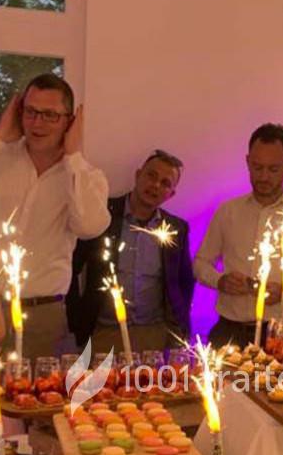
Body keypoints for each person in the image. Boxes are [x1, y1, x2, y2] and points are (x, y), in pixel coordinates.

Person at [0, 74, 110, 359]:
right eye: (31, 111)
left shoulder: (86, 176)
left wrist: (73, 157)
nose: (38, 123)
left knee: (37, 388)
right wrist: (0, 136)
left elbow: (89, 227)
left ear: (69, 121)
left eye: (50, 115)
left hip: (42, 315)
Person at [193, 123, 283, 348]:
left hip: (281, 335)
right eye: (257, 168)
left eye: (273, 169)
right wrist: (220, 281)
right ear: (247, 162)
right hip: (229, 332)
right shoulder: (228, 211)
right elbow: (201, 263)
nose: (264, 177)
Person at [66, 150, 193, 354]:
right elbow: (72, 266)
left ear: (171, 194)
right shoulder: (103, 215)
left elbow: (184, 281)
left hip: (154, 334)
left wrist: (180, 327)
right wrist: (75, 319)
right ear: (138, 175)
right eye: (151, 175)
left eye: (165, 183)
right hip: (105, 332)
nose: (155, 185)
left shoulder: (177, 229)